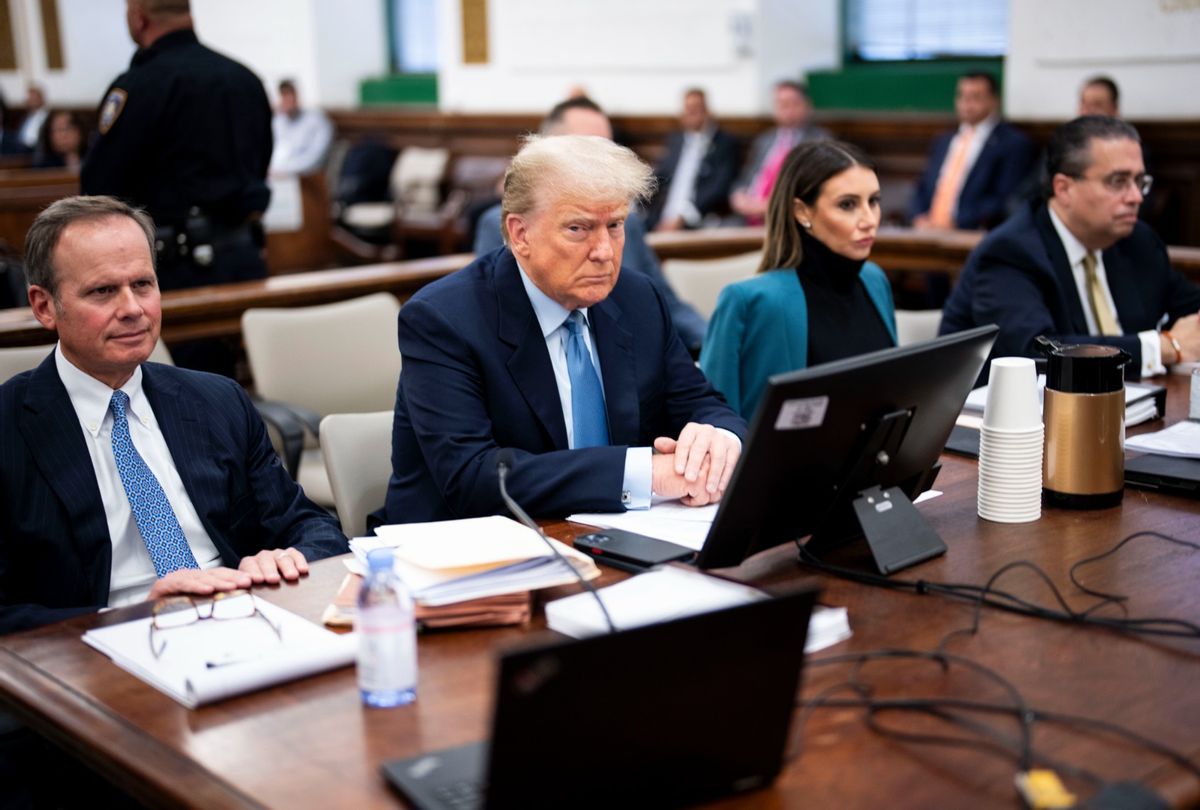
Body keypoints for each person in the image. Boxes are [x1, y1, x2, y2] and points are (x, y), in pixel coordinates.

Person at [0, 195, 349, 638]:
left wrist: (284, 558)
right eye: (103, 291)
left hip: (239, 624)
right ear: (45, 306)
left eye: (143, 284)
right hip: (101, 653)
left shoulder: (215, 400)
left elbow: (313, 526)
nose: (132, 308)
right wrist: (130, 616)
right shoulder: (9, 426)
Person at [383, 135, 746, 524]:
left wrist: (719, 440)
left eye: (615, 225)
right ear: (521, 234)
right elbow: (475, 479)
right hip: (462, 556)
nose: (604, 250)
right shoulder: (443, 320)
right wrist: (649, 473)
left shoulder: (638, 298)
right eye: (579, 228)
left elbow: (702, 403)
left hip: (613, 540)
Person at [939, 116, 1200, 377]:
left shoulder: (1137, 241)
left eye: (1140, 182)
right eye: (1118, 182)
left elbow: (1190, 307)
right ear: (1063, 188)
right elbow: (1036, 354)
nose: (1135, 197)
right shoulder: (1010, 252)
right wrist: (1164, 348)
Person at [474, 97, 708, 353]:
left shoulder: (628, 223)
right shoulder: (506, 224)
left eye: (608, 149)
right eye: (587, 152)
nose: (604, 251)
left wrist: (717, 342)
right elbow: (497, 319)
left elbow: (667, 305)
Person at [81, 0, 273, 294]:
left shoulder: (139, 86)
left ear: (139, 19)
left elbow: (100, 186)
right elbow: (261, 161)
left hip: (178, 270)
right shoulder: (244, 78)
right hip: (245, 259)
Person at [701, 141, 896, 419]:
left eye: (873, 201)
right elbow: (714, 424)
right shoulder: (751, 301)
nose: (869, 220)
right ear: (802, 212)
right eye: (848, 204)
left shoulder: (874, 280)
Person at [909, 72, 1033, 231]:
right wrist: (918, 217)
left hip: (971, 233)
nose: (967, 103)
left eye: (975, 97)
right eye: (962, 96)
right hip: (925, 230)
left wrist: (957, 222)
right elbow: (922, 187)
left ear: (994, 100)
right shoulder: (943, 140)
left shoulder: (1012, 143)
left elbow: (1006, 199)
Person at [729, 80, 829, 225]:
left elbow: (815, 188)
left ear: (807, 106)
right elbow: (745, 179)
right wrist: (738, 197)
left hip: (789, 219)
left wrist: (770, 206)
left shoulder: (820, 141)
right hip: (747, 217)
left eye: (793, 103)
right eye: (781, 104)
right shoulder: (764, 140)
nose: (787, 110)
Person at [645, 88, 740, 231]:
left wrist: (684, 217)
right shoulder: (676, 141)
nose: (692, 115)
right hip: (662, 216)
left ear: (707, 111)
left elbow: (719, 188)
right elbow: (661, 176)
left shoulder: (724, 143)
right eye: (688, 110)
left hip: (699, 219)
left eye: (696, 109)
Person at [269, 78, 334, 176]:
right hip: (278, 176)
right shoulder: (278, 121)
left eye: (290, 94)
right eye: (283, 95)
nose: (287, 99)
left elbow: (315, 158)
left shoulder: (317, 121)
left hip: (305, 180)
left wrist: (283, 170)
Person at [17, 84, 48, 151]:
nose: (30, 101)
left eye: (33, 98)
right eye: (29, 98)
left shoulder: (46, 117)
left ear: (41, 99)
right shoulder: (26, 118)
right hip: (20, 149)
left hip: (36, 150)